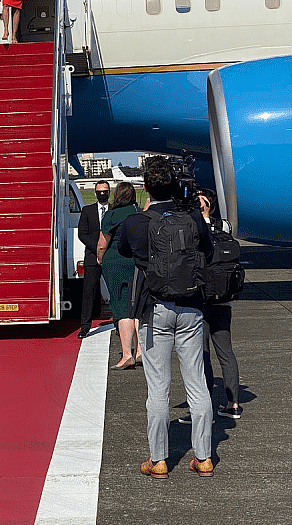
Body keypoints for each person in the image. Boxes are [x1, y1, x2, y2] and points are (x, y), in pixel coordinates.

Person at [117, 156, 214, 478]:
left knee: (158, 388)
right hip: (191, 305)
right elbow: (208, 252)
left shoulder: (135, 222)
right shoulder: (191, 219)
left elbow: (125, 253)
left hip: (154, 307)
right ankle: (204, 457)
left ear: (146, 187)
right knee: (197, 383)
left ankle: (158, 459)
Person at [178, 188, 242, 423]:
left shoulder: (194, 227)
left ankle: (204, 409)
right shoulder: (225, 226)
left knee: (201, 354)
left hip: (202, 298)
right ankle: (233, 402)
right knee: (226, 352)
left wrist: (198, 214)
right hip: (224, 300)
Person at [97, 182, 141, 369]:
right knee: (137, 305)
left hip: (114, 260)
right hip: (136, 261)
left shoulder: (111, 215)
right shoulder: (139, 213)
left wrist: (100, 259)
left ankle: (126, 354)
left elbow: (101, 244)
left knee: (120, 304)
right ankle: (140, 352)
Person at [77, 180, 113, 339]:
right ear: (95, 193)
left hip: (111, 256)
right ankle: (85, 327)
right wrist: (98, 247)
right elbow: (82, 233)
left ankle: (119, 324)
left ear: (109, 192)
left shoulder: (114, 210)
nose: (102, 194)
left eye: (105, 191)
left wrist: (106, 250)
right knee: (88, 293)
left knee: (115, 291)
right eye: (99, 191)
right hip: (92, 257)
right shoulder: (87, 210)